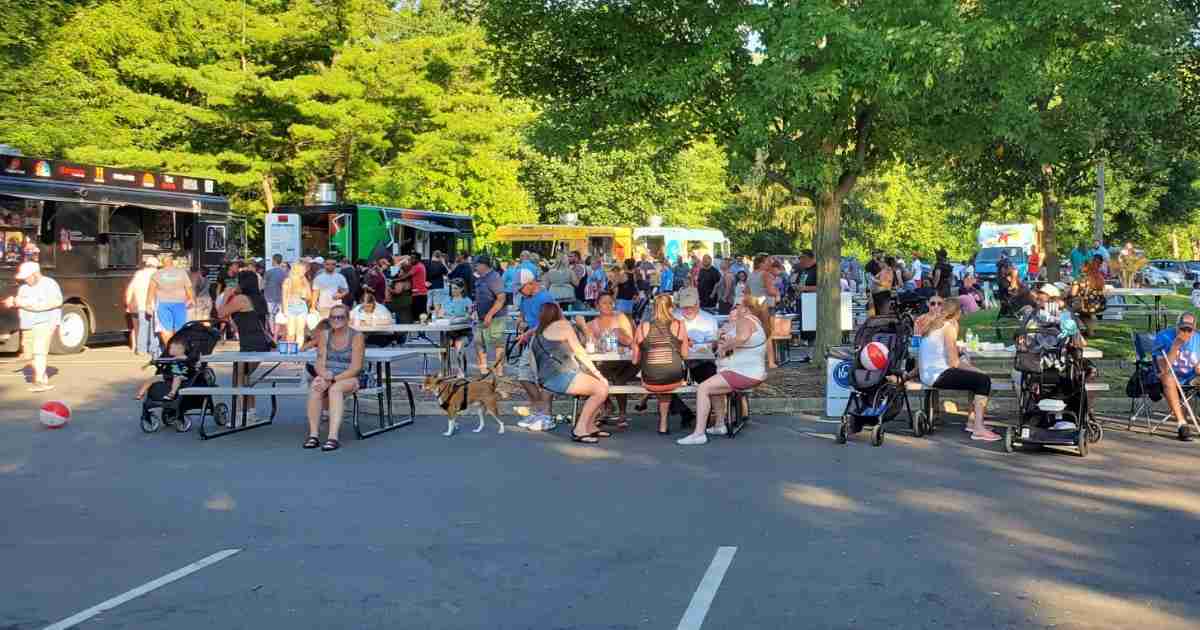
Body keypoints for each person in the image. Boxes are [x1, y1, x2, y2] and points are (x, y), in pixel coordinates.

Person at [677, 297, 770, 445]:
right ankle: (719, 425)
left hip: (743, 372)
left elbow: (742, 338)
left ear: (746, 309)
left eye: (737, 306)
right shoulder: (755, 321)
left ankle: (698, 434)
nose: (735, 309)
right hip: (746, 371)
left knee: (703, 388)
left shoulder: (746, 320)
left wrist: (727, 346)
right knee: (713, 384)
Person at [919, 299, 998, 441]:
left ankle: (972, 422)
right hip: (938, 375)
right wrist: (978, 371)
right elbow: (954, 363)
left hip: (928, 374)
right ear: (958, 313)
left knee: (973, 378)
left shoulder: (933, 326)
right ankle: (978, 428)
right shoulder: (948, 327)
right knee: (983, 380)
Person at [530, 302, 610, 443]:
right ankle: (579, 430)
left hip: (546, 380)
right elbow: (579, 351)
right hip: (562, 375)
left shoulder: (536, 333)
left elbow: (532, 360)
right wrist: (597, 372)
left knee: (599, 387)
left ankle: (590, 427)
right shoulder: (563, 326)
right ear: (558, 313)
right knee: (601, 389)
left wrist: (539, 381)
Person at [303, 303, 366, 452]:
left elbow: (356, 367)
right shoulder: (325, 335)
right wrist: (323, 376)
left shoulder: (357, 336)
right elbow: (320, 362)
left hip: (350, 376)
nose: (336, 320)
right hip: (329, 375)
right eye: (333, 317)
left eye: (340, 317)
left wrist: (332, 380)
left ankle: (333, 437)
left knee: (335, 389)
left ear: (347, 319)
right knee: (316, 386)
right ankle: (313, 435)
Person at [218, 270, 273, 421]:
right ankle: (250, 413)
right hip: (260, 342)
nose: (235, 284)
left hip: (250, 344)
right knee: (246, 377)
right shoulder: (259, 298)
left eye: (237, 281)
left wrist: (226, 296)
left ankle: (240, 415)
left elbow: (221, 313)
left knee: (240, 378)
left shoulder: (241, 299)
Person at [576, 292, 637, 428]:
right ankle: (607, 405)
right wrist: (584, 330)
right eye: (604, 303)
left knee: (617, 378)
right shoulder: (592, 324)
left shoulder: (620, 318)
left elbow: (630, 340)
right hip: (606, 362)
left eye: (610, 302)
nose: (608, 305)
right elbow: (587, 344)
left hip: (625, 360)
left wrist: (620, 336)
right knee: (591, 374)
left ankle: (621, 413)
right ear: (597, 306)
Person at [633, 294, 690, 434]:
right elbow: (685, 355)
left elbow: (635, 360)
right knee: (665, 376)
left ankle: (662, 422)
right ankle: (663, 422)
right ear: (671, 308)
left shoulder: (642, 327)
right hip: (674, 378)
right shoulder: (679, 325)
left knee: (657, 375)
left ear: (653, 308)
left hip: (650, 380)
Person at [5, 262, 62, 392]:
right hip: (27, 324)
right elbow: (20, 302)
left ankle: (40, 381)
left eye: (27, 277)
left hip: (45, 322)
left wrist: (20, 302)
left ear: (36, 274)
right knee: (29, 355)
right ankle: (42, 376)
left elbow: (54, 302)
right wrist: (12, 302)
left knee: (39, 351)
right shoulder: (23, 288)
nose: (25, 279)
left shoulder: (49, 284)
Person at [515, 270, 559, 427]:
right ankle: (539, 411)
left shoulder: (545, 297)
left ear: (531, 283)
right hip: (532, 339)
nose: (520, 292)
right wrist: (521, 322)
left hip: (546, 339)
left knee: (545, 379)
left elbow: (548, 321)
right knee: (524, 375)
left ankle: (546, 415)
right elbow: (522, 315)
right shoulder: (524, 298)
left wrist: (528, 333)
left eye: (521, 288)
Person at [1154, 312, 1200, 442]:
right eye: (1182, 328)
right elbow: (1163, 369)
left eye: (1189, 330)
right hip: (1168, 377)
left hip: (1191, 378)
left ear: (1194, 329)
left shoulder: (1198, 339)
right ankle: (1182, 424)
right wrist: (1175, 346)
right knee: (1168, 377)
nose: (1185, 332)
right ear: (1176, 326)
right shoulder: (1163, 337)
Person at [147, 253, 195, 348]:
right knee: (180, 328)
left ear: (162, 263)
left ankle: (170, 350)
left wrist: (148, 305)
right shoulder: (182, 273)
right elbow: (188, 288)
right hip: (180, 304)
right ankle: (178, 350)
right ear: (172, 262)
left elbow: (151, 290)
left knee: (165, 329)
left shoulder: (156, 274)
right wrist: (191, 299)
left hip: (163, 304)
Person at [471, 256, 508, 376]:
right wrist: (474, 309)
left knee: (498, 343)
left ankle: (499, 370)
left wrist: (490, 315)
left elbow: (501, 298)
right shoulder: (480, 278)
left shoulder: (494, 277)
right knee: (478, 341)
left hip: (496, 317)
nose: (474, 267)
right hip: (481, 316)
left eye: (476, 264)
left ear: (483, 265)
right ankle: (483, 369)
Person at [134, 338, 191, 402]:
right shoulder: (172, 358)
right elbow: (164, 360)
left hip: (183, 375)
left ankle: (172, 393)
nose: (169, 350)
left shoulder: (184, 358)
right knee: (153, 378)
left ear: (180, 350)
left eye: (172, 348)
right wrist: (148, 364)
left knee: (177, 377)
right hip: (170, 375)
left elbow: (183, 362)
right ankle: (140, 394)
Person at [124, 256, 161, 356]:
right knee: (154, 329)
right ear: (155, 265)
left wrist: (128, 303)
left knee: (142, 328)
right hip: (153, 305)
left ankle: (141, 349)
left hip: (140, 305)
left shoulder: (138, 274)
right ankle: (153, 349)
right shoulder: (157, 274)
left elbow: (130, 288)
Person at [441, 279, 474, 377]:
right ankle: (443, 370)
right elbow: (441, 314)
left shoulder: (467, 301)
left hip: (464, 332)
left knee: (458, 345)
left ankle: (460, 370)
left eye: (455, 288)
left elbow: (469, 317)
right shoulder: (446, 300)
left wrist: (456, 319)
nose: (453, 290)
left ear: (462, 289)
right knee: (442, 347)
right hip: (449, 332)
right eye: (451, 288)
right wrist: (442, 316)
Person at [281, 260, 312, 345]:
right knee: (291, 332)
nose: (304, 271)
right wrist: (284, 310)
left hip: (302, 306)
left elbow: (309, 297)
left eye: (304, 270)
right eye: (303, 270)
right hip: (290, 307)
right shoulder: (288, 280)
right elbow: (284, 296)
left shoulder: (304, 280)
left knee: (300, 332)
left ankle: (298, 350)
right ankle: (290, 350)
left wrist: (305, 287)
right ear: (297, 270)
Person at [263, 255, 288, 326]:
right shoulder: (285, 273)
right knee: (278, 316)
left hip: (269, 298)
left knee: (271, 315)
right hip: (280, 298)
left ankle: (272, 331)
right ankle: (276, 331)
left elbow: (263, 285)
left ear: (274, 261)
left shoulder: (268, 272)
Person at [409, 254, 429, 318]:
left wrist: (395, 280)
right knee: (422, 312)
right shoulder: (421, 265)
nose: (410, 260)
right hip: (422, 292)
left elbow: (407, 275)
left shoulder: (417, 267)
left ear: (417, 259)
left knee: (417, 314)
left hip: (418, 293)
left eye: (412, 258)